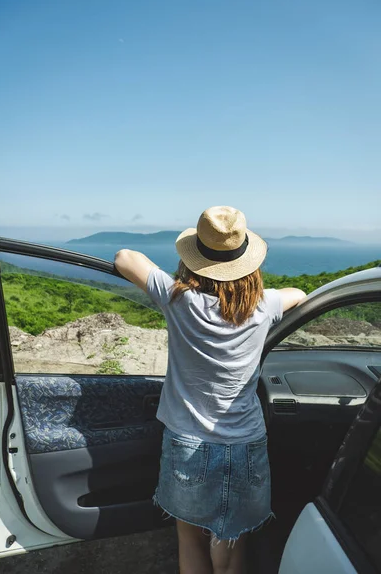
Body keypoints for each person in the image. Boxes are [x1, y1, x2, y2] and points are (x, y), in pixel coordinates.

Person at [114, 206, 306, 574]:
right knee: (231, 546)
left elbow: (125, 258)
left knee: (190, 541)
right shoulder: (264, 306)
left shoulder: (178, 298)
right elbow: (297, 294)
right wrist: (275, 294)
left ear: (195, 261)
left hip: (188, 443)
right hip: (247, 443)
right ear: (248, 264)